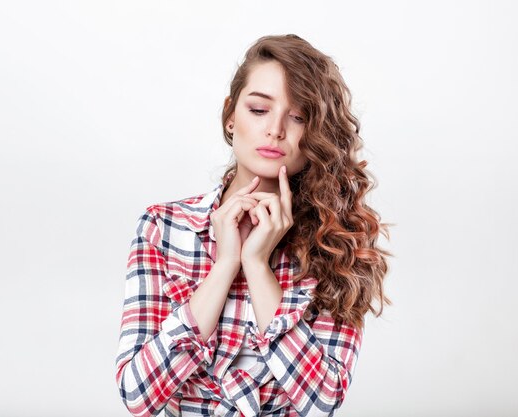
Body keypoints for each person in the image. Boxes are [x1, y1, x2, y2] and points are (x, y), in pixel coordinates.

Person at [115, 34, 392, 417]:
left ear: (316, 134)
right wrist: (226, 265)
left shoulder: (340, 243)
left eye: (298, 117)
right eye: (259, 110)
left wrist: (257, 265)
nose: (276, 129)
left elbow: (323, 401)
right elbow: (137, 395)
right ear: (231, 116)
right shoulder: (163, 227)